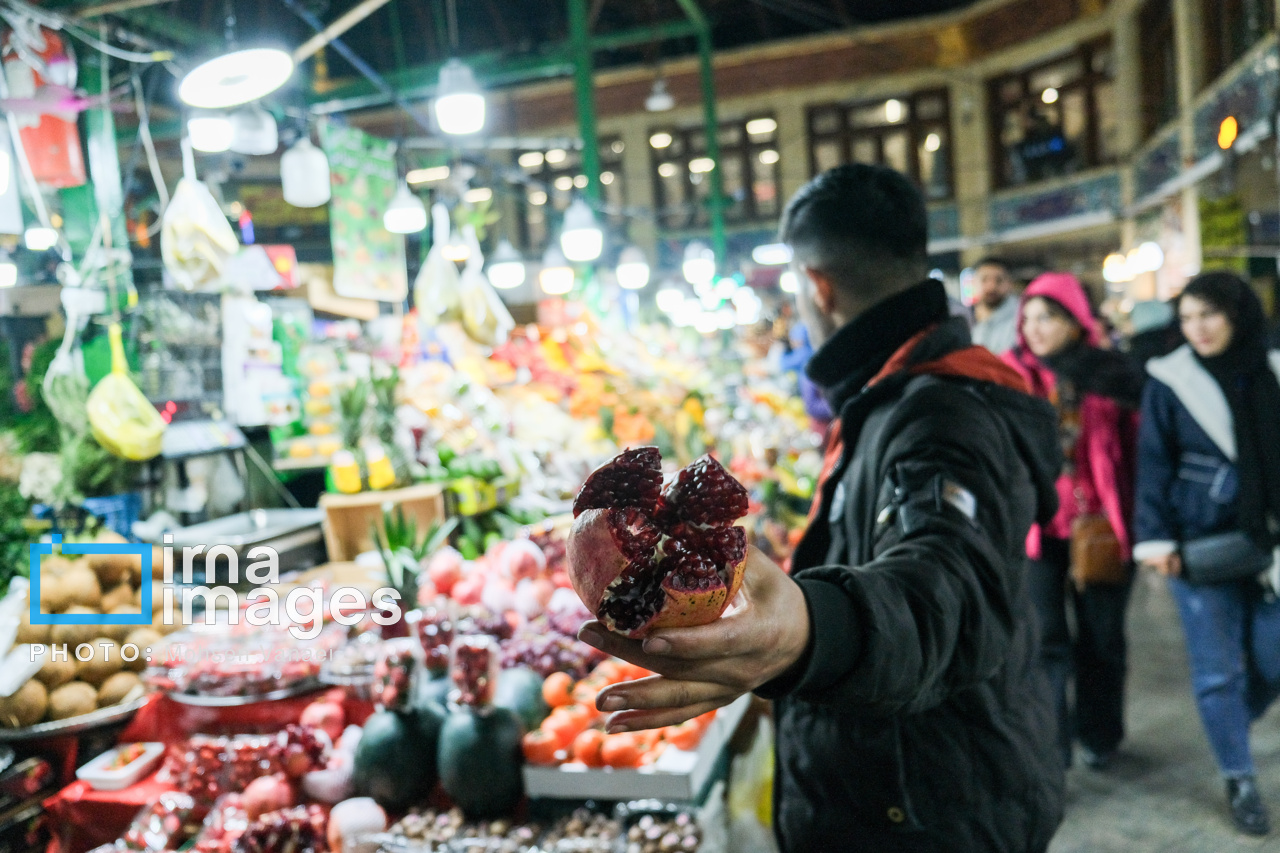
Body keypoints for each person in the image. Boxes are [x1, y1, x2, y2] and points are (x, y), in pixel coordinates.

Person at [579, 163, 1065, 853]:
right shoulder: (892, 394)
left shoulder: (943, 417)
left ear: (816, 285)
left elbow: (950, 588)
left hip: (929, 811)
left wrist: (811, 628)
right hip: (913, 786)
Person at [1134, 271, 1280, 836]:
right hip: (1198, 547)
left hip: (1269, 544)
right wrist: (1158, 540)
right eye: (1187, 317)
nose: (1197, 328)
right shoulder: (1170, 381)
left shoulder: (1270, 370)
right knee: (1217, 673)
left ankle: (1229, 727)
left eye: (1209, 315)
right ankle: (1239, 777)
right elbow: (1154, 464)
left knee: (1271, 661)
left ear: (1237, 314)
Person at [1001, 273, 1144, 771]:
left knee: (1103, 640)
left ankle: (1100, 736)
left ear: (1076, 320)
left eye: (1049, 317)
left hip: (1102, 525)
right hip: (1035, 530)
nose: (1035, 328)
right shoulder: (1009, 376)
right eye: (1029, 318)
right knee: (1045, 643)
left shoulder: (1114, 375)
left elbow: (1138, 452)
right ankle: (1052, 743)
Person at [970, 256, 1020, 355]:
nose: (991, 286)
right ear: (974, 283)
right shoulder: (968, 319)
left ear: (1010, 283)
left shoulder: (1021, 320)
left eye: (999, 280)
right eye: (984, 280)